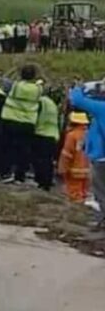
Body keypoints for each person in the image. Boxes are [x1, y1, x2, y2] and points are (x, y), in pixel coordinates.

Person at [67, 85, 105, 229]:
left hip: (102, 157)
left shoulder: (102, 108)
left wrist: (86, 86)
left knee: (101, 192)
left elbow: (76, 99)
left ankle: (102, 221)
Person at [0, 66, 42, 184]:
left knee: (7, 148)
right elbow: (46, 82)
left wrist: (14, 69)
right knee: (24, 150)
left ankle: (5, 173)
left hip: (10, 119)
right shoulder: (38, 89)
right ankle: (20, 176)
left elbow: (4, 78)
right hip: (27, 123)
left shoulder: (15, 86)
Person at [58, 111, 91, 202]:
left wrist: (63, 168)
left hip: (73, 170)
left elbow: (67, 153)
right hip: (88, 170)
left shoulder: (71, 135)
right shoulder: (90, 135)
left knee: (74, 195)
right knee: (84, 193)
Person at [32, 89, 59, 190]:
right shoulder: (52, 103)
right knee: (48, 160)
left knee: (40, 159)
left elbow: (35, 116)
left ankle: (41, 182)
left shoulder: (40, 102)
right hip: (53, 135)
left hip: (41, 133)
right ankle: (47, 182)